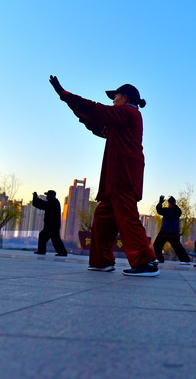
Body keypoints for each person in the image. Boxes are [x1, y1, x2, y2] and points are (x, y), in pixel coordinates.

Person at [49, 76, 158, 277]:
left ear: (125, 98)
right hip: (115, 177)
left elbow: (97, 110)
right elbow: (96, 124)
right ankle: (102, 261)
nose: (112, 101)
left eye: (114, 97)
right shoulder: (120, 121)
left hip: (123, 175)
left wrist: (64, 94)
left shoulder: (128, 113)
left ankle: (146, 262)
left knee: (128, 218)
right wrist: (77, 111)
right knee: (102, 218)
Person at [153, 195, 191, 265]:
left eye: (170, 203)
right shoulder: (166, 210)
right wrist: (160, 203)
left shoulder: (177, 210)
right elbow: (159, 210)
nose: (169, 204)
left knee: (177, 247)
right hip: (165, 232)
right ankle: (160, 259)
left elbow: (179, 212)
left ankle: (186, 260)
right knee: (157, 245)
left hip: (171, 233)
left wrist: (162, 203)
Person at [32, 190, 67, 256]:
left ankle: (62, 252)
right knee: (51, 238)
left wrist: (36, 199)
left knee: (53, 238)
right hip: (50, 225)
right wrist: (36, 199)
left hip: (52, 226)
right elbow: (43, 205)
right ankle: (61, 252)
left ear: (52, 196)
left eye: (48, 195)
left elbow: (43, 205)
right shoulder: (53, 202)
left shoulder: (54, 203)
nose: (47, 196)